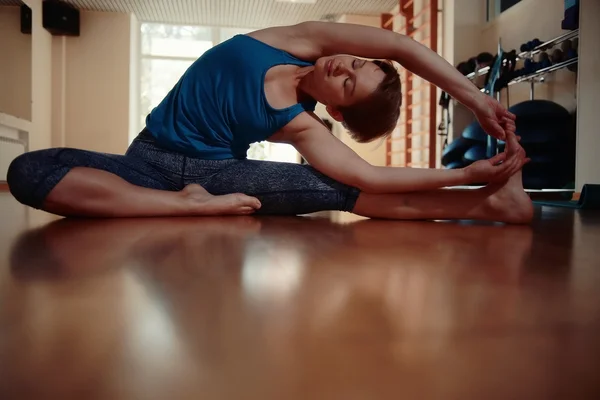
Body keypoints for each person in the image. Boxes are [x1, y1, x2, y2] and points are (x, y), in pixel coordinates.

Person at [7, 22, 532, 223]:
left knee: (341, 191)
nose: (344, 66)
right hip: (146, 160)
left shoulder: (301, 125)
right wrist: (471, 96)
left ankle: (492, 205)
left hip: (216, 177)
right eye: (355, 62)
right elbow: (399, 44)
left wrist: (466, 174)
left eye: (350, 83)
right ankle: (177, 207)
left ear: (339, 110)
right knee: (29, 170)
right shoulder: (300, 40)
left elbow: (369, 178)